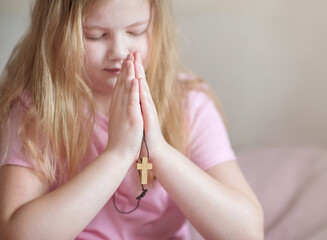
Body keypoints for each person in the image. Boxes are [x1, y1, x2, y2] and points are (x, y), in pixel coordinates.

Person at [0, 0, 264, 239]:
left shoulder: (189, 104)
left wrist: (158, 150)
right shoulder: (37, 110)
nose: (119, 51)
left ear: (156, 26)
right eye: (95, 35)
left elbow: (247, 232)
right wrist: (118, 155)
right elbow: (16, 234)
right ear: (57, 34)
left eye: (136, 31)